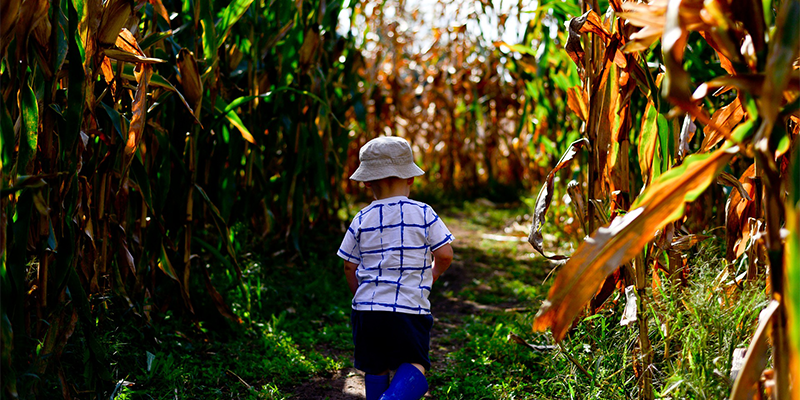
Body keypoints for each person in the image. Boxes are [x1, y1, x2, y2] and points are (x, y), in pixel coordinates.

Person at [337, 136, 455, 400]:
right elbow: (445, 254)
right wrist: (432, 274)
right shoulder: (424, 212)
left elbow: (348, 265)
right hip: (409, 309)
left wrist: (360, 295)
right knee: (415, 364)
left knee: (375, 368)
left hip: (367, 311)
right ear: (411, 178)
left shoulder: (361, 217)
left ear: (367, 182)